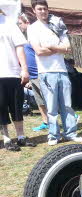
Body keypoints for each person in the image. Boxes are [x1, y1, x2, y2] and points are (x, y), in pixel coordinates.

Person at [27, 0, 82, 146]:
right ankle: (53, 135)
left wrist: (51, 46)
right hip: (46, 72)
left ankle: (70, 133)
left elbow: (68, 47)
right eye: (39, 9)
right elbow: (39, 51)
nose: (43, 12)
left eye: (45, 9)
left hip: (62, 70)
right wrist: (59, 48)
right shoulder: (33, 28)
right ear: (34, 11)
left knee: (67, 106)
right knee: (51, 107)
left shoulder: (57, 25)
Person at [0, 7, 36, 152]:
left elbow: (19, 48)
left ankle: (21, 137)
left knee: (17, 107)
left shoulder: (9, 23)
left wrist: (24, 69)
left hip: (13, 73)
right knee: (1, 107)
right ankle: (7, 139)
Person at [17, 13, 48, 132]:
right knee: (40, 101)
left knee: (49, 100)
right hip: (32, 76)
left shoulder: (35, 35)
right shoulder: (25, 37)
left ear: (27, 23)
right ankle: (46, 122)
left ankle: (71, 116)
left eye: (20, 23)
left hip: (41, 73)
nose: (19, 26)